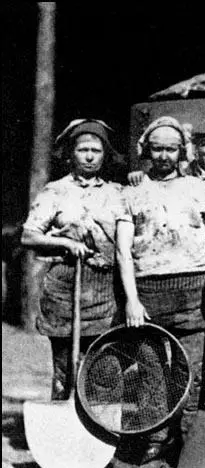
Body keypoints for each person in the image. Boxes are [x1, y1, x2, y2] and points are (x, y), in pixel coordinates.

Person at [114, 116, 205, 468]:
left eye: (171, 148)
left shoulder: (198, 188)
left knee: (190, 372)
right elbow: (122, 251)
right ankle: (153, 441)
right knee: (151, 371)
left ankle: (184, 446)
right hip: (149, 291)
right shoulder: (130, 192)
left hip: (193, 291)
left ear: (182, 151)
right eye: (157, 148)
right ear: (146, 150)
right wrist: (132, 299)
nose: (164, 155)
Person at [20, 119, 126, 400]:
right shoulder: (55, 191)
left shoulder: (117, 192)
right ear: (70, 153)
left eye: (96, 150)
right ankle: (63, 429)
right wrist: (66, 242)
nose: (90, 156)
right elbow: (29, 236)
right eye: (83, 150)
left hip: (105, 289)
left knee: (103, 367)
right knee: (66, 368)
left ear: (106, 154)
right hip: (66, 286)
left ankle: (95, 430)